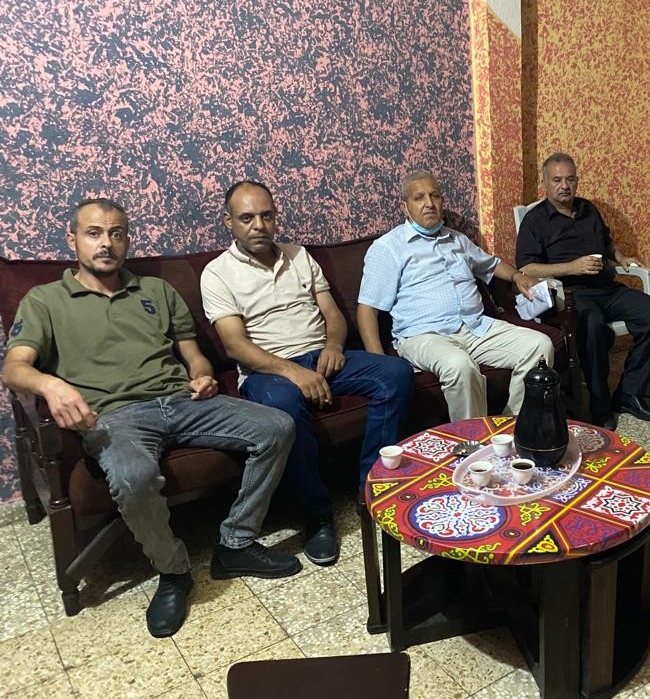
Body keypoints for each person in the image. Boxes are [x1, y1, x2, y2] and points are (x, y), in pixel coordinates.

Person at [2, 199, 300, 639]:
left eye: (116, 233)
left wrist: (202, 375)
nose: (106, 243)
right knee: (133, 476)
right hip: (115, 416)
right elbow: (14, 369)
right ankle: (173, 570)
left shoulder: (156, 291)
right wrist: (51, 385)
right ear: (73, 239)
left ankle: (236, 542)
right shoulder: (45, 300)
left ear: (127, 240)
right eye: (94, 233)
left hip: (182, 400)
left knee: (277, 427)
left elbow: (194, 355)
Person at [200, 180, 414, 566]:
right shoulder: (217, 273)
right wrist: (293, 373)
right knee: (283, 403)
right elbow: (235, 345)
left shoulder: (299, 255)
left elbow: (332, 313)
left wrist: (333, 346)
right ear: (228, 221)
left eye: (266, 215)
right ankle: (317, 515)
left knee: (395, 372)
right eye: (247, 218)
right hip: (266, 371)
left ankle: (372, 486)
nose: (259, 225)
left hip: (321, 356)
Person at [357, 171, 554, 421]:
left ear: (442, 201)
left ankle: (512, 426)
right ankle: (474, 439)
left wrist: (517, 276)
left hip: (475, 328)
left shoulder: (457, 240)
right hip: (424, 335)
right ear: (404, 206)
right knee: (460, 366)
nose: (429, 203)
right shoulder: (388, 247)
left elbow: (491, 265)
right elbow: (367, 309)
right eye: (419, 197)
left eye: (435, 196)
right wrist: (381, 364)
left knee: (540, 346)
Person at [515, 153, 650, 429]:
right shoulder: (535, 220)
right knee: (593, 326)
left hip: (607, 288)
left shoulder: (588, 209)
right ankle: (600, 407)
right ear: (546, 183)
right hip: (571, 295)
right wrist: (571, 267)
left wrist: (622, 258)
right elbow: (526, 267)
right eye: (557, 180)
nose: (564, 186)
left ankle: (631, 394)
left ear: (577, 181)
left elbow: (607, 243)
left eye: (570, 179)